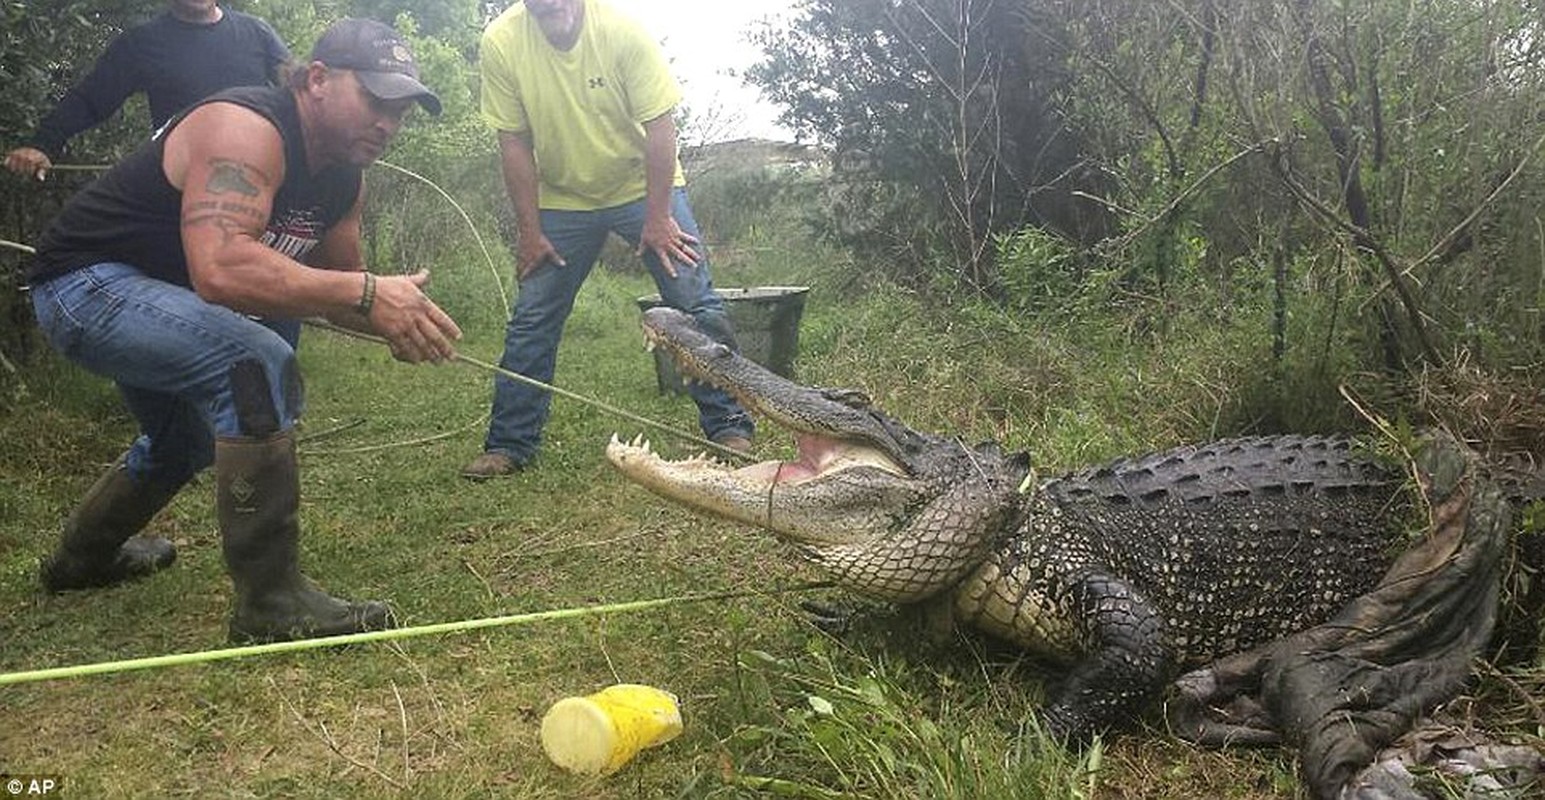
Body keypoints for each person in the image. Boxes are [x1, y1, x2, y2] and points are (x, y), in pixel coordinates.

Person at [25, 18, 459, 644]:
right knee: (256, 359)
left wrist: (392, 312)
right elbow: (223, 267)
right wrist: (366, 293)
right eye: (375, 99)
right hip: (83, 286)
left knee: (185, 441)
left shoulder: (344, 180)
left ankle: (81, 559)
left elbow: (338, 289)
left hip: (158, 298)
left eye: (401, 111)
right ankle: (271, 603)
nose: (388, 123)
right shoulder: (245, 129)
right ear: (316, 79)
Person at [463, 0, 754, 479]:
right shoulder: (501, 41)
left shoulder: (622, 30)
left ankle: (729, 426)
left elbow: (660, 127)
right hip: (562, 199)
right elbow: (513, 142)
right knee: (532, 318)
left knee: (695, 303)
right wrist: (530, 231)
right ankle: (508, 445)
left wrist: (659, 216)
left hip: (644, 187)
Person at [5, 0, 291, 181]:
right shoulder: (142, 43)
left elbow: (298, 95)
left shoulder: (256, 32)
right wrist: (43, 143)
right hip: (184, 186)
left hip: (263, 175)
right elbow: (91, 99)